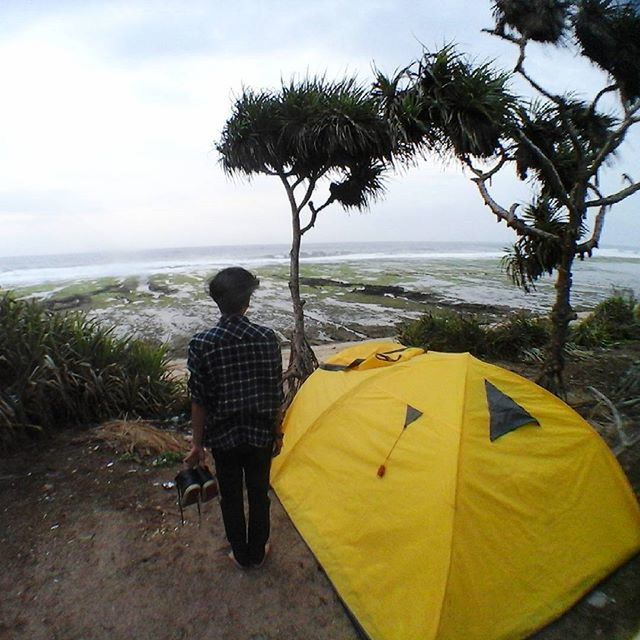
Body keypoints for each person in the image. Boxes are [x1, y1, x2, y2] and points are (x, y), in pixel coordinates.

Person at [184, 267, 283, 568]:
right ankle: (258, 550)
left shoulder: (201, 344)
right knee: (258, 494)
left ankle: (240, 554)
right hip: (260, 435)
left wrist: (196, 445)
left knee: (230, 497)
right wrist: (277, 432)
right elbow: (274, 391)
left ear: (217, 301)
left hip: (223, 439)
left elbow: (199, 401)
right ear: (248, 301)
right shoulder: (268, 339)